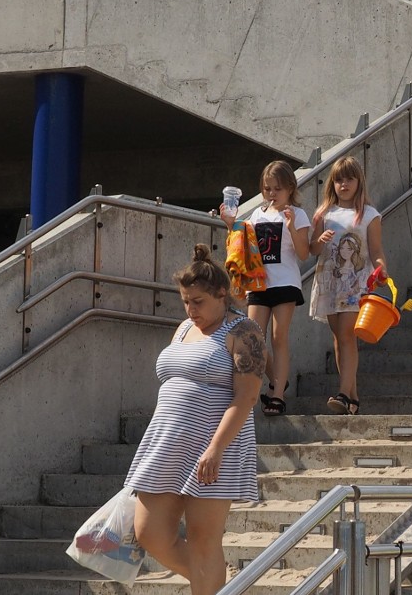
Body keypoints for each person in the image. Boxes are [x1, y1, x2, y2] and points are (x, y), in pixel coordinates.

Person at [125, 244, 266, 595]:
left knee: (205, 541)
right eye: (186, 301)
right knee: (148, 531)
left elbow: (247, 396)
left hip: (215, 447)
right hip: (167, 443)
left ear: (222, 294)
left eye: (198, 301)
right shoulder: (184, 328)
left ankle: (209, 581)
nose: (191, 309)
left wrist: (216, 449)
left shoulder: (243, 330)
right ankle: (215, 583)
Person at [221, 161, 310, 416]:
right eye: (267, 188)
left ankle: (278, 395)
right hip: (259, 284)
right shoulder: (258, 215)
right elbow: (241, 244)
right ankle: (276, 380)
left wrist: (292, 226)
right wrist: (230, 224)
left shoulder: (297, 214)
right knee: (253, 338)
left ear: (290, 188)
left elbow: (303, 253)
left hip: (285, 282)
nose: (272, 193)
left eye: (277, 189)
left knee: (278, 337)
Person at [309, 156, 388, 415]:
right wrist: (319, 239)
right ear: (332, 183)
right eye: (339, 179)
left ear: (358, 182)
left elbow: (375, 250)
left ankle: (343, 393)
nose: (343, 184)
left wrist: (381, 269)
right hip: (329, 281)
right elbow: (313, 249)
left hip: (356, 283)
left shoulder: (368, 215)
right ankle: (353, 397)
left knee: (347, 335)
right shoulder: (323, 213)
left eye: (349, 179)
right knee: (338, 337)